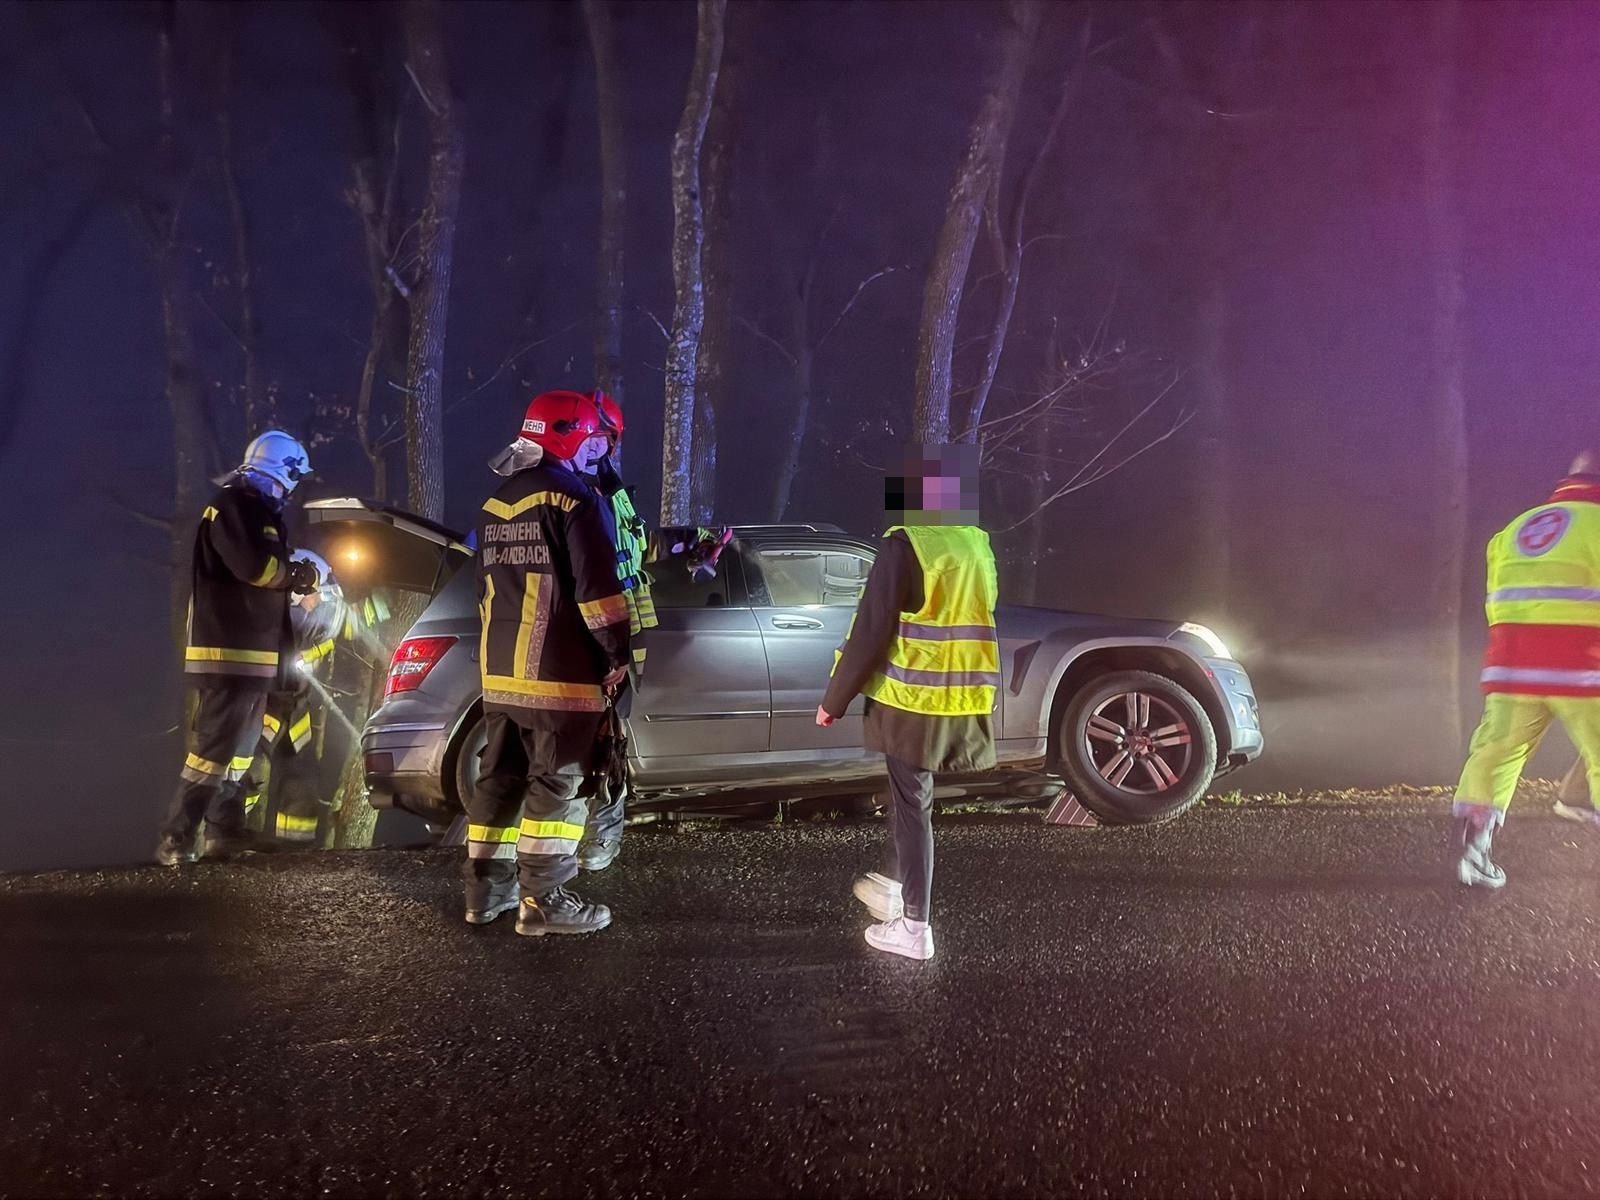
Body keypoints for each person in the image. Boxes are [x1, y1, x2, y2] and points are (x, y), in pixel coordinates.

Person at [816, 444, 1000, 960]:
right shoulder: (974, 545)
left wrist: (835, 699)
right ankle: (898, 887)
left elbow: (871, 631)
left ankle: (915, 928)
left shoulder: (905, 545)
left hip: (911, 699)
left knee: (911, 804)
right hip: (961, 695)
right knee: (913, 801)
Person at [462, 390, 631, 935]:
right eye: (589, 441)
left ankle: (485, 895)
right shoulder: (575, 500)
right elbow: (598, 594)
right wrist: (615, 655)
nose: (594, 454)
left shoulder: (496, 502)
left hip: (500, 675)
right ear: (568, 437)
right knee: (557, 784)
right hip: (559, 675)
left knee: (499, 779)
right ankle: (544, 901)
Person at [574, 390, 732, 872]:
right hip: (582, 641)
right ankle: (570, 841)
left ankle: (599, 838)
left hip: (615, 641)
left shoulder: (608, 491)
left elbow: (640, 546)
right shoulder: (568, 493)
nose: (595, 445)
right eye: (588, 435)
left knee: (609, 739)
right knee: (578, 744)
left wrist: (693, 541)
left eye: (603, 437)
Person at [156, 431, 320, 866]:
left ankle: (223, 833)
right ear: (278, 472)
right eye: (292, 480)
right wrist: (293, 575)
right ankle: (177, 836)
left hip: (251, 659)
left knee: (240, 754)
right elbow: (255, 568)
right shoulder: (235, 507)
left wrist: (291, 572)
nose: (292, 490)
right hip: (229, 656)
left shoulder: (252, 510)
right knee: (212, 752)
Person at [1452, 450, 1600, 887]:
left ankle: (1473, 854)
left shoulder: (1516, 529)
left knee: (1495, 754)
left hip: (1512, 670)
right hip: (1583, 668)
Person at [242, 549, 345, 846]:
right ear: (295, 595)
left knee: (303, 772)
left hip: (295, 706)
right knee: (252, 769)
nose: (318, 602)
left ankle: (295, 845)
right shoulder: (274, 619)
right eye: (313, 594)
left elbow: (325, 643)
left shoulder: (311, 620)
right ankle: (231, 832)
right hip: (267, 702)